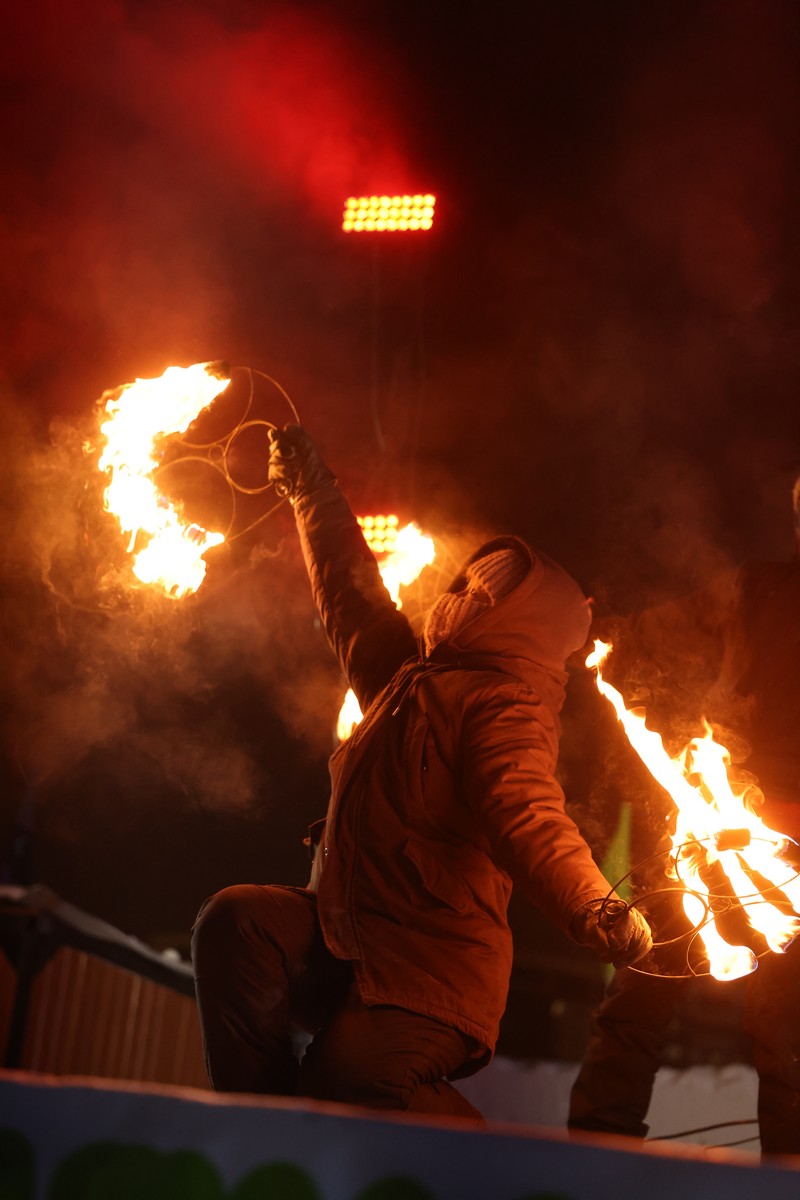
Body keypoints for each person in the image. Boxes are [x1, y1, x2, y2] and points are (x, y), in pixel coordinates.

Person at [191, 425, 652, 1121]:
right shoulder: (408, 679)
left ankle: (481, 1164)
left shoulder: (507, 704)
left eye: (485, 590)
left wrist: (592, 903)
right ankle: (265, 1133)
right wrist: (311, 487)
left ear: (517, 621)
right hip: (347, 933)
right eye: (470, 580)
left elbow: (525, 810)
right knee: (239, 922)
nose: (463, 590)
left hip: (428, 969)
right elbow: (351, 594)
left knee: (350, 1076)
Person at [568, 473, 800, 1155]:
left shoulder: (759, 587)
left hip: (785, 857)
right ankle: (592, 1158)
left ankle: (787, 1178)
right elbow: (653, 632)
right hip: (707, 828)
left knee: (785, 1035)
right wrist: (588, 632)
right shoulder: (756, 586)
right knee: (640, 993)